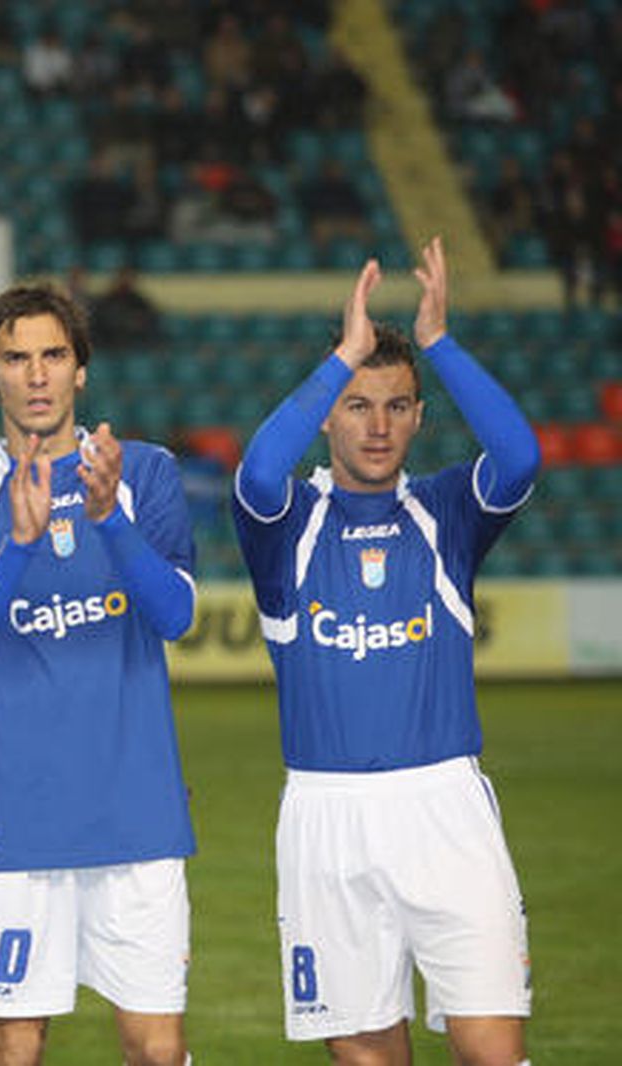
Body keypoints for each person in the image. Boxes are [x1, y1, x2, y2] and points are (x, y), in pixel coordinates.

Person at [232, 238, 539, 1066]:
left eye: (398, 405)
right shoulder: (288, 524)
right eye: (360, 404)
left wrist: (438, 341)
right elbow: (256, 474)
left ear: (419, 416)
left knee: (493, 1051)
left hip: (445, 809)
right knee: (367, 1056)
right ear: (329, 412)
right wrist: (343, 356)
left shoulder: (448, 514)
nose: (377, 425)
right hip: (326, 816)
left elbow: (519, 456)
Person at [0, 283, 197, 1066]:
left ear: (82, 372)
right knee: (13, 1044)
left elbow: (176, 616)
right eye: (15, 358)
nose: (36, 375)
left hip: (136, 812)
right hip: (13, 819)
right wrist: (17, 551)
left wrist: (109, 521)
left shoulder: (145, 474)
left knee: (157, 1048)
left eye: (53, 355)